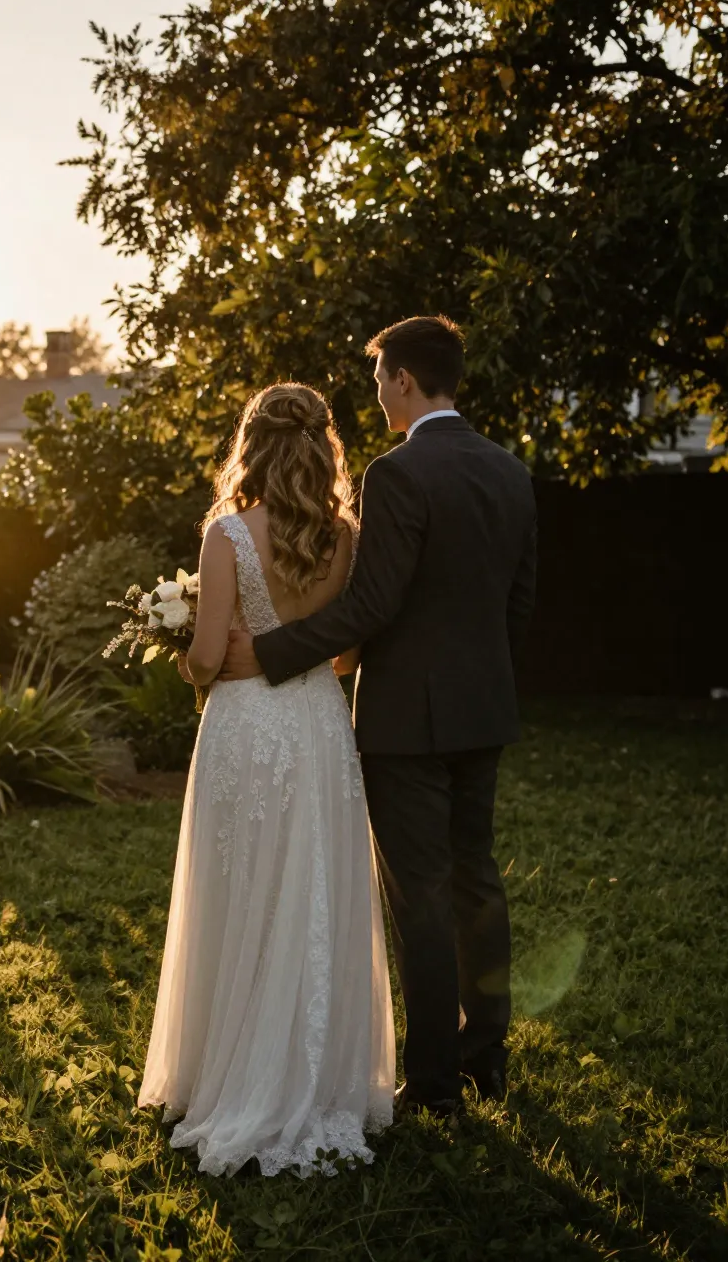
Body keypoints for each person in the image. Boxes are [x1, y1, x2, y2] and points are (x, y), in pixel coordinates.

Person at [218, 316, 538, 1116]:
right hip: (485, 710)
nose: (378, 396)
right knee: (478, 879)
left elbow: (372, 602)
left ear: (401, 379)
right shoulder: (510, 472)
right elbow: (519, 603)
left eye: (378, 381)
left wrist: (274, 651)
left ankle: (433, 1083)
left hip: (405, 724)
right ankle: (485, 1058)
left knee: (421, 894)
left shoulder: (396, 474)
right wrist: (486, 679)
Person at [138, 382, 396, 1177]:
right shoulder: (343, 535)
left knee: (242, 884)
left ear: (249, 444)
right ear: (323, 448)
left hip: (247, 726)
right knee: (313, 882)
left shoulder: (225, 534)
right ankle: (321, 1077)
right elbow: (344, 650)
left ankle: (233, 1072)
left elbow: (211, 660)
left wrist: (180, 641)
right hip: (318, 722)